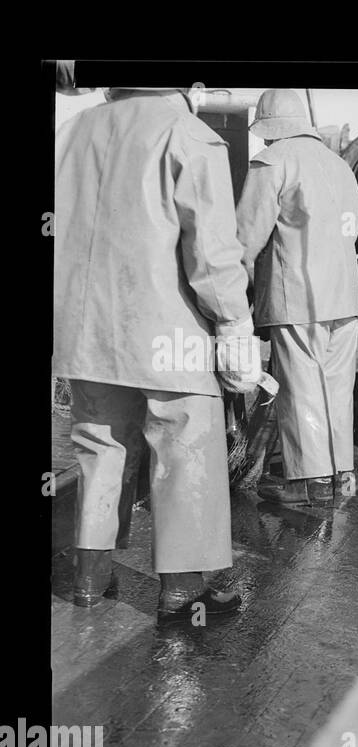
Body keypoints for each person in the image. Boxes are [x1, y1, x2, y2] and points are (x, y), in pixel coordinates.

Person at [54, 86, 257, 623]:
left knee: (100, 448)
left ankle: (89, 580)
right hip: (168, 332)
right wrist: (235, 326)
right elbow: (211, 255)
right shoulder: (188, 135)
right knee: (185, 443)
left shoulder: (70, 132)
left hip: (86, 331)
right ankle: (184, 590)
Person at [236, 89, 358, 506]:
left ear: (269, 129)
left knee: (301, 388)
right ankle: (341, 475)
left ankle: (309, 485)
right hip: (344, 298)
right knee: (336, 388)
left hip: (298, 297)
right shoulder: (340, 166)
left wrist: (230, 289)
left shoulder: (273, 161)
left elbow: (245, 237)